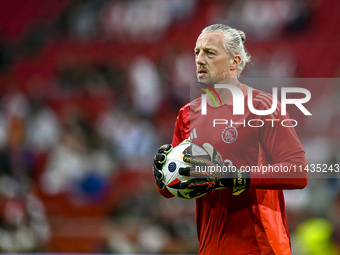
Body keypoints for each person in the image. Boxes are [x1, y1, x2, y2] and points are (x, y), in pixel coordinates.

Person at [153, 24, 308, 255]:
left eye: (210, 53)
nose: (200, 60)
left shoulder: (262, 107)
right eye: (197, 52)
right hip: (210, 248)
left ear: (234, 62)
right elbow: (180, 184)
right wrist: (163, 178)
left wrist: (236, 177)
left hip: (260, 246)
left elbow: (298, 172)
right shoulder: (187, 114)